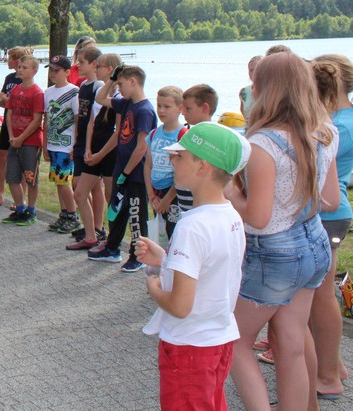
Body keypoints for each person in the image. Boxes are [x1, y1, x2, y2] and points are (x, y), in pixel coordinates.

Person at [226, 51, 339, 411]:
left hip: (274, 253)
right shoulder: (325, 132)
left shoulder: (262, 144)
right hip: (314, 243)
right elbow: (331, 199)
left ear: (264, 89)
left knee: (234, 342)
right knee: (291, 345)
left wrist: (229, 192)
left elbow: (258, 218)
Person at [136, 122, 251, 411]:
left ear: (202, 167)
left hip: (189, 347)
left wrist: (154, 286)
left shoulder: (192, 226)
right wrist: (166, 260)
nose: (172, 160)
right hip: (218, 339)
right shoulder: (230, 216)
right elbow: (212, 269)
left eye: (180, 156)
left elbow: (179, 306)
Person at [308, 54, 353, 401]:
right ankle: (333, 365)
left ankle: (327, 377)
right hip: (328, 211)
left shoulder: (341, 124)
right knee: (318, 296)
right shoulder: (337, 119)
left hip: (328, 213)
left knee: (321, 297)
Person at [88, 65, 156, 271]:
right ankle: (112, 248)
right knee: (116, 211)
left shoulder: (145, 110)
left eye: (121, 84)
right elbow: (100, 98)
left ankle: (138, 256)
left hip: (135, 174)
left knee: (136, 215)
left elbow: (142, 147)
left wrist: (126, 172)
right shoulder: (126, 104)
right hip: (121, 169)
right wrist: (111, 78)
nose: (118, 87)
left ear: (133, 82)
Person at [69, 53, 122, 249]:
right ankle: (91, 235)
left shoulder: (119, 96)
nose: (96, 69)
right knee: (80, 193)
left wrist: (100, 154)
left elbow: (117, 132)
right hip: (94, 148)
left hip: (110, 152)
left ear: (109, 70)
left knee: (110, 197)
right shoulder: (100, 91)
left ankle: (112, 240)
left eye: (99, 66)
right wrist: (88, 148)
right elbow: (91, 121)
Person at [67, 46, 104, 249]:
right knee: (80, 186)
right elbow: (80, 117)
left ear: (94, 64)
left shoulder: (98, 86)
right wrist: (76, 141)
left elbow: (96, 119)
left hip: (91, 143)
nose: (78, 65)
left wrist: (90, 145)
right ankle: (91, 228)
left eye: (81, 62)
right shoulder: (83, 85)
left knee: (88, 187)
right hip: (81, 141)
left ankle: (96, 228)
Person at [2, 55, 44, 225]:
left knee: (30, 178)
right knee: (11, 176)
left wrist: (21, 138)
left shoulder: (37, 92)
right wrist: (12, 136)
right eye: (19, 67)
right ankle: (20, 208)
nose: (20, 70)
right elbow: (9, 114)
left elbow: (37, 120)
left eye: (24, 67)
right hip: (15, 141)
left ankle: (31, 211)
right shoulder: (15, 90)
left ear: (34, 71)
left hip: (31, 143)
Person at [43, 55, 81, 233]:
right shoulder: (48, 92)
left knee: (64, 181)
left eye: (57, 71)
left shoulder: (74, 92)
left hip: (66, 145)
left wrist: (75, 145)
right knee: (58, 181)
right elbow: (46, 119)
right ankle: (64, 213)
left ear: (67, 72)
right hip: (53, 143)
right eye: (51, 70)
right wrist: (45, 143)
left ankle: (72, 215)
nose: (53, 74)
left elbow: (77, 120)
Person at [145, 86, 186, 240]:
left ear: (180, 108)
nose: (161, 110)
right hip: (156, 191)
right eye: (159, 105)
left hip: (173, 193)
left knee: (174, 232)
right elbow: (148, 165)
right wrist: (151, 194)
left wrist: (167, 199)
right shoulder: (154, 134)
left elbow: (183, 173)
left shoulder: (183, 136)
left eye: (167, 107)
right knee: (160, 233)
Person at [0, 46, 30, 207]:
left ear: (16, 60)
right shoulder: (9, 78)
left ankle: (21, 198)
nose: (7, 60)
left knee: (21, 159)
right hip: (7, 123)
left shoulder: (25, 80)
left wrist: (8, 100)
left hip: (21, 124)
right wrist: (8, 101)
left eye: (9, 58)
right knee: (1, 155)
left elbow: (23, 104)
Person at [176, 84, 218, 216]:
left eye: (188, 108)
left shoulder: (211, 138)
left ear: (205, 108)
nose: (183, 112)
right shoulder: (189, 134)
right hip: (183, 201)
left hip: (198, 204)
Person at [239, 56, 261, 125]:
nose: (254, 73)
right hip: (249, 127)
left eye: (257, 69)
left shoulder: (271, 92)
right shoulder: (244, 92)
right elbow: (243, 113)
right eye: (251, 70)